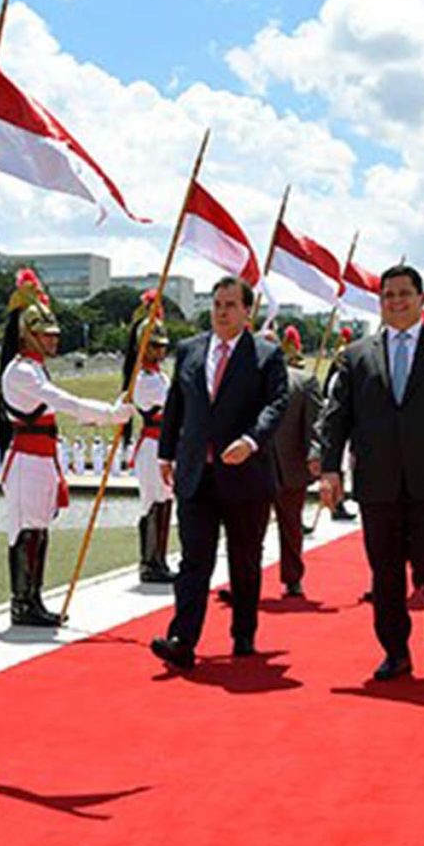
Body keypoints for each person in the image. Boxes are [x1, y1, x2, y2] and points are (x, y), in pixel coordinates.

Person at [318, 264, 424, 680]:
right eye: (388, 295)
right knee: (385, 572)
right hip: (378, 484)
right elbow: (337, 417)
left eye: (404, 294)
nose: (395, 302)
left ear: (421, 299)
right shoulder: (357, 355)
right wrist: (329, 470)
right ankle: (395, 651)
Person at [149, 276, 288, 670]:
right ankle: (183, 639)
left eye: (230, 305)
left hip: (245, 474)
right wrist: (166, 453)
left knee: (244, 560)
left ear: (248, 310)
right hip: (197, 473)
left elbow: (276, 405)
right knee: (194, 560)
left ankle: (243, 633)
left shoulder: (265, 355)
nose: (222, 312)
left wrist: (251, 440)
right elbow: (176, 403)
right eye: (217, 304)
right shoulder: (190, 350)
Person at [0, 270, 133, 628]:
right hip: (26, 459)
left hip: (41, 458)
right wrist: (108, 414)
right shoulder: (21, 372)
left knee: (39, 529)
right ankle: (22, 602)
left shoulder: (35, 371)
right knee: (27, 529)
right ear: (29, 335)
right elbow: (65, 402)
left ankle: (34, 598)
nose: (53, 341)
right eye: (46, 335)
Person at [119, 299, 176, 585]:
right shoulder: (143, 380)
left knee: (165, 501)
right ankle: (149, 562)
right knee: (154, 502)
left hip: (163, 445)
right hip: (152, 444)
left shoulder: (159, 376)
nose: (161, 350)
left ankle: (160, 559)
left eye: (162, 345)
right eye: (154, 345)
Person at [268, 323, 320, 598]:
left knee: (291, 527)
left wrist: (315, 455)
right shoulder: (245, 380)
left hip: (290, 466)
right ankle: (244, 582)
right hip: (253, 467)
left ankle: (292, 578)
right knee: (244, 532)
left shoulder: (303, 381)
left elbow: (315, 425)